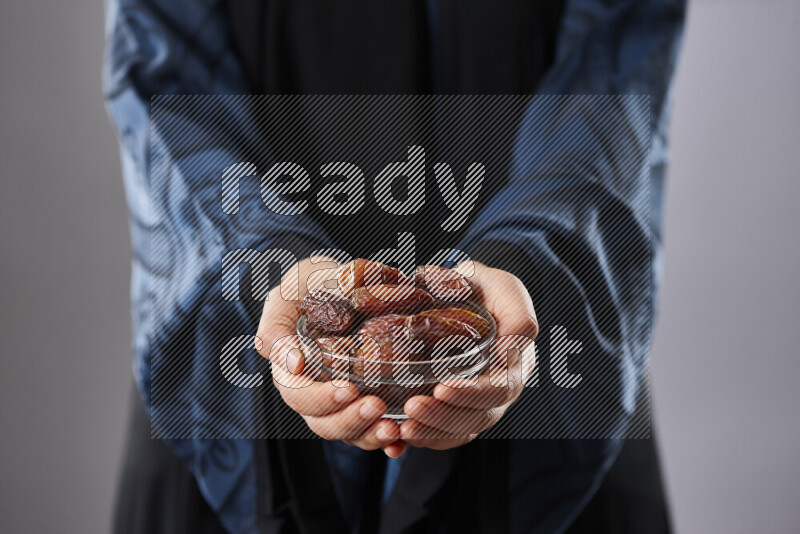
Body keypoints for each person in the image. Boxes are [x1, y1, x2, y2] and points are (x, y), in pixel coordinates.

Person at [105, 1, 686, 533]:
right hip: (238, 385)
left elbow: (614, 71)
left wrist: (524, 261)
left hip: (544, 373)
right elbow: (166, 74)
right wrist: (264, 266)